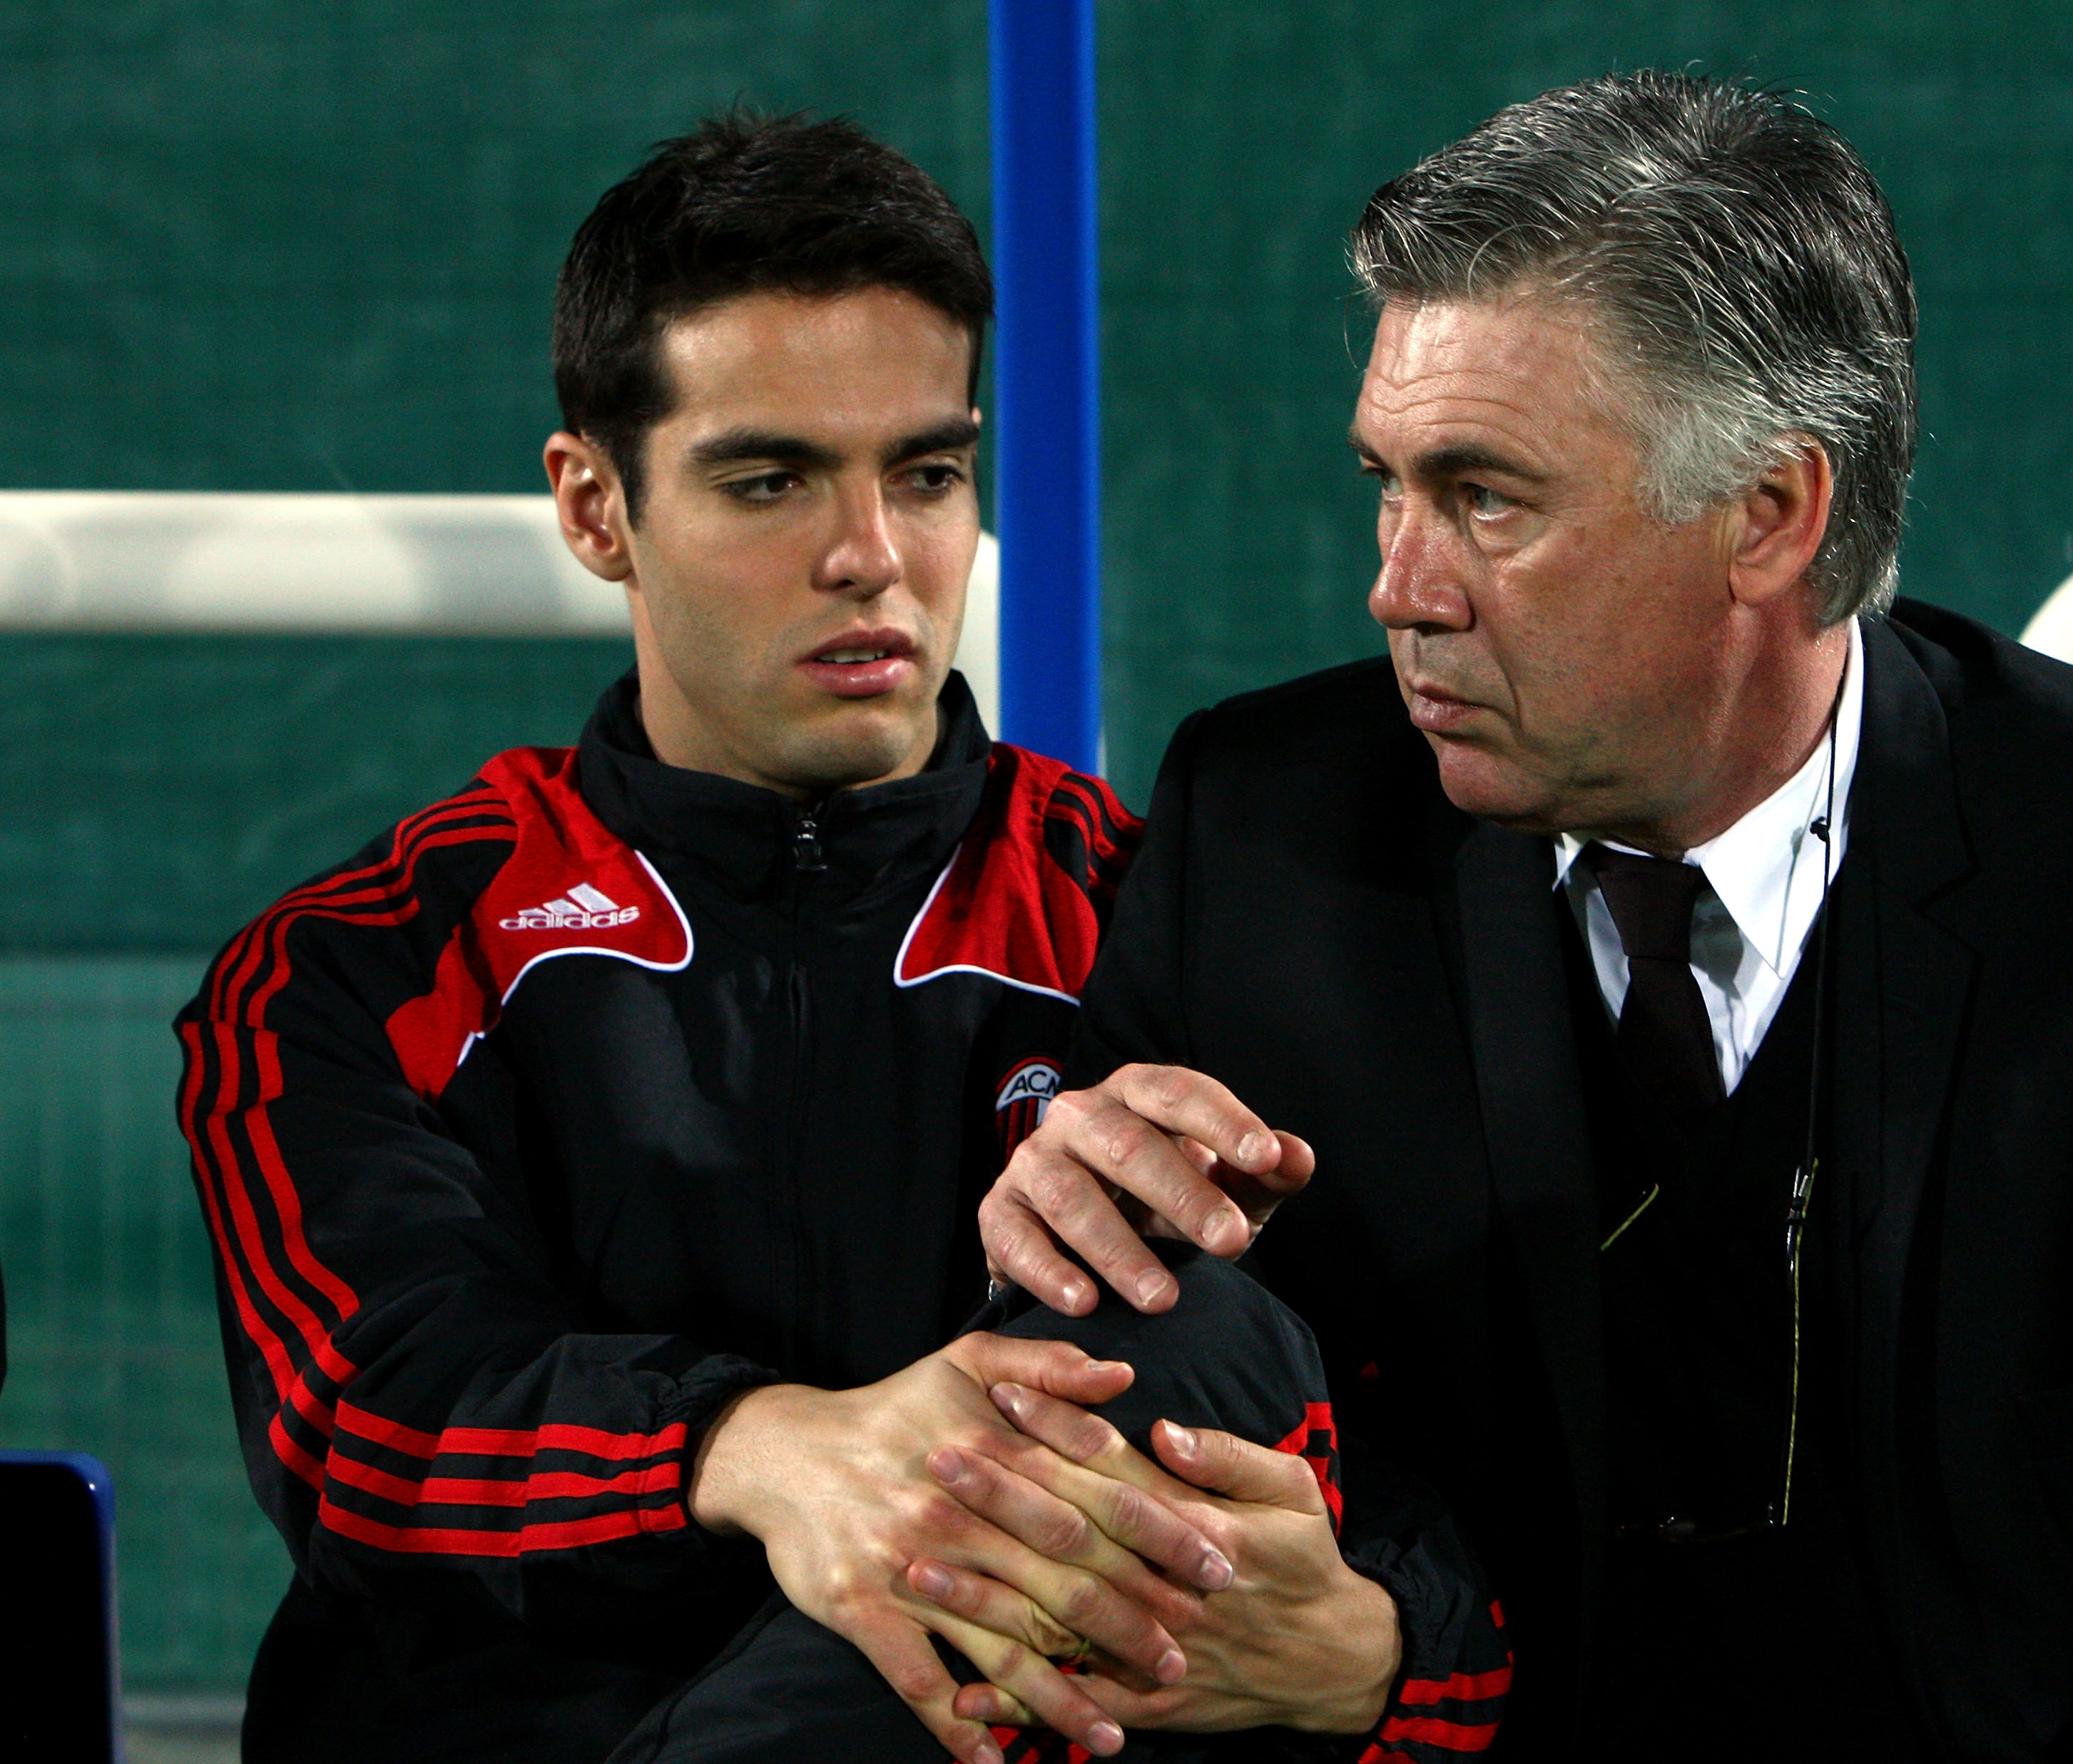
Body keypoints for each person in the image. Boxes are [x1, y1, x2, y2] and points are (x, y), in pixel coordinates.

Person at [974, 71, 2073, 1758]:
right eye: (1384, 485)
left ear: (1771, 514)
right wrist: (1062, 1209)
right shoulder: (1261, 837)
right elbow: (1134, 1452)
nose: (1398, 585)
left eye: (1484, 497)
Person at [178, 111, 1497, 1764]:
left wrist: (1375, 1656)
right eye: (770, 477)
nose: (872, 554)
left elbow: (1432, 1473)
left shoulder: (1174, 927)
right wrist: (757, 1448)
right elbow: (373, 1421)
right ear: (596, 508)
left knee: (1179, 1324)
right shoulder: (352, 968)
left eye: (927, 472)